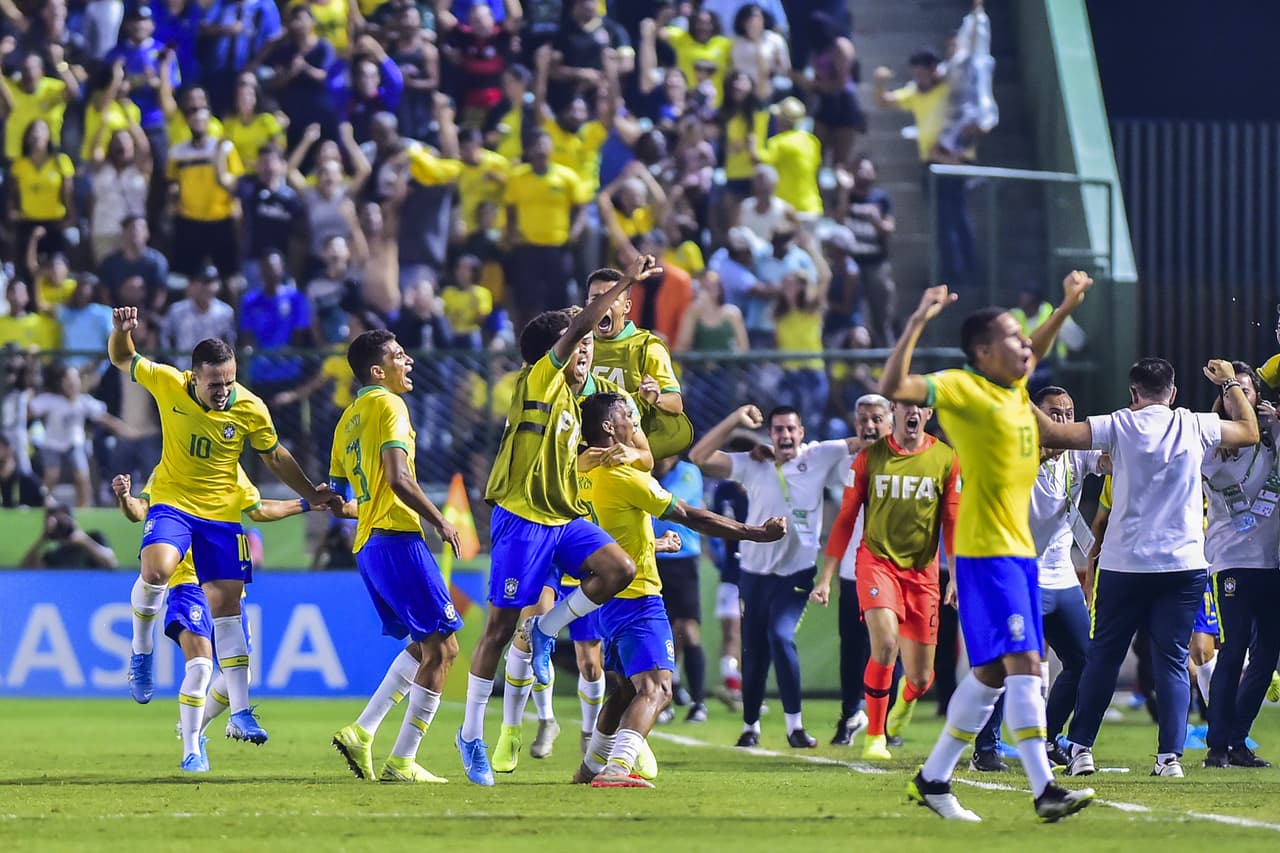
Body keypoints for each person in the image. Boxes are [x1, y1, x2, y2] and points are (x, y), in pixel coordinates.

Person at [879, 271, 1097, 822]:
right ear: (982, 351)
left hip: (1019, 554)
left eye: (1024, 338)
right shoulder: (962, 388)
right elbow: (893, 385)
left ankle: (933, 778)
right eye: (1012, 337)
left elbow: (1036, 347)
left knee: (995, 673)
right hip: (986, 552)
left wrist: (1066, 305)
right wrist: (917, 320)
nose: (1025, 345)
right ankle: (1045, 789)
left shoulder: (1014, 387)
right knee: (1027, 665)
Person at [456, 256, 662, 787]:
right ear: (558, 351)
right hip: (521, 520)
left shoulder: (574, 401)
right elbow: (576, 327)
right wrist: (626, 282)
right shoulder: (539, 379)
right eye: (580, 343)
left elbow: (607, 454)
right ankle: (471, 734)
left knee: (618, 568)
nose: (586, 350)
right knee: (499, 630)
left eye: (590, 344)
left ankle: (546, 631)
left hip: (562, 520)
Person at [105, 307, 338, 745]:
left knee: (229, 609)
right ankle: (141, 650)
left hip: (221, 516)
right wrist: (121, 331)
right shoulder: (168, 382)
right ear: (193, 377)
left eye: (229, 382)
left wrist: (310, 493)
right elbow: (123, 357)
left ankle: (242, 712)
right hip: (173, 501)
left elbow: (275, 456)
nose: (223, 391)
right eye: (215, 384)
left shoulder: (250, 407)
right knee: (156, 570)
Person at [1036, 357, 1259, 778]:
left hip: (1125, 566)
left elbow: (1050, 433)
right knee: (1172, 661)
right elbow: (1249, 431)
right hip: (1184, 565)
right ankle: (1169, 758)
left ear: (1133, 394)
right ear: (1172, 393)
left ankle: (1081, 750)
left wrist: (1012, 389)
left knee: (1103, 658)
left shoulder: (1117, 423)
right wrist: (1230, 383)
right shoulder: (1194, 424)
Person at [573, 391, 786, 787]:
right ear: (608, 427)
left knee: (624, 692)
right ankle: (617, 769)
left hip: (604, 597)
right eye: (627, 415)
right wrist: (754, 532)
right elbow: (689, 515)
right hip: (637, 597)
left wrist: (652, 543)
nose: (634, 420)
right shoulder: (623, 476)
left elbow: (609, 532)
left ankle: (589, 769)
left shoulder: (580, 469)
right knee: (658, 688)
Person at [327, 329, 465, 783]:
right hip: (397, 537)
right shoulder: (390, 406)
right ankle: (403, 761)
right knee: (444, 649)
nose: (409, 362)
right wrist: (440, 521)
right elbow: (399, 477)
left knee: (426, 645)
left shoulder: (346, 420)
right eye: (399, 356)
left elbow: (339, 502)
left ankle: (362, 731)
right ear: (377, 370)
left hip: (369, 545)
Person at [113, 469, 315, 771]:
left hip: (226, 587)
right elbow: (140, 510)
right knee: (201, 668)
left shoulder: (230, 470)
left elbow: (258, 508)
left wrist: (307, 503)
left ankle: (196, 728)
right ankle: (191, 751)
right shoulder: (174, 467)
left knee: (241, 678)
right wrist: (125, 497)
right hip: (188, 585)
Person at [689, 403, 865, 748]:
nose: (785, 435)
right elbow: (699, 457)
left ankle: (795, 726)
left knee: (780, 636)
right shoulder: (753, 463)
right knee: (753, 650)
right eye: (779, 429)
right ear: (770, 434)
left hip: (797, 573)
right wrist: (735, 419)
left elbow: (863, 440)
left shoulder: (819, 455)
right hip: (753, 573)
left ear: (802, 432)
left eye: (791, 429)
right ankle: (750, 727)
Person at [816, 400, 959, 761]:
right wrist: (826, 577)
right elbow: (845, 519)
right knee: (885, 645)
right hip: (876, 563)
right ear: (895, 410)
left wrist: (956, 577)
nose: (913, 412)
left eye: (920, 406)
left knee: (922, 678)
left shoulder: (946, 459)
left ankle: (906, 699)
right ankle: (875, 736)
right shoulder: (870, 458)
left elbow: (952, 523)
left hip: (923, 574)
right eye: (906, 405)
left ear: (928, 414)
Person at [982, 385, 1106, 770]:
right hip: (1021, 574)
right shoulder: (1014, 448)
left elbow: (1113, 460)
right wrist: (1038, 454)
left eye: (1069, 413)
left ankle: (1048, 738)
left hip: (1062, 575)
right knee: (1010, 664)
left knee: (1085, 661)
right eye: (1055, 413)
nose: (1064, 420)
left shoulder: (1078, 451)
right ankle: (986, 748)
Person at [1201, 362, 1280, 769]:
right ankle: (1217, 744)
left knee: (1267, 655)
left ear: (1258, 398)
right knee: (1232, 651)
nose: (1237, 399)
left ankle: (1237, 739)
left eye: (1245, 392)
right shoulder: (1212, 440)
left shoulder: (1273, 438)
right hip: (1230, 561)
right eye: (1230, 393)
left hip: (1271, 562)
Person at [815, 393, 892, 745]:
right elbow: (810, 459)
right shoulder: (845, 462)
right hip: (853, 570)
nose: (869, 425)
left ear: (890, 422)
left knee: (890, 647)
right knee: (853, 647)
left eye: (877, 418)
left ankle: (883, 721)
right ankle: (850, 714)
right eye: (863, 419)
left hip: (895, 571)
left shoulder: (909, 461)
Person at [587, 269, 690, 459]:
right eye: (596, 299)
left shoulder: (647, 347)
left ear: (627, 306)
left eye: (611, 299)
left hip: (630, 454)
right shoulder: (579, 345)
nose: (603, 305)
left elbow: (676, 403)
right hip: (583, 454)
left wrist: (655, 398)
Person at [653, 454, 709, 721]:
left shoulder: (689, 472)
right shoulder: (642, 469)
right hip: (650, 557)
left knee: (687, 628)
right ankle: (664, 698)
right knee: (658, 631)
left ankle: (698, 702)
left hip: (682, 558)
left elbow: (670, 503)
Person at [21, 502, 117, 569]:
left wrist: (83, 540)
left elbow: (112, 563)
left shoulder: (95, 538)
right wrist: (43, 538)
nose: (61, 526)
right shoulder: (54, 555)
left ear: (73, 520)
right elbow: (24, 570)